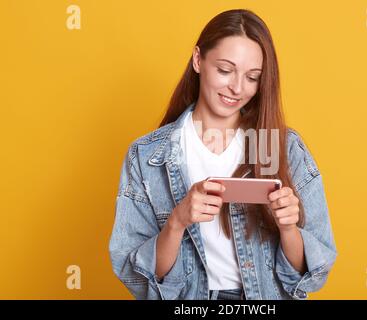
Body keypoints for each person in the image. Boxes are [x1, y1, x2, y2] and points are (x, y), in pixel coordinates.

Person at [109, 8, 337, 300]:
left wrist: (289, 229)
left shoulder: (284, 147)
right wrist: (177, 221)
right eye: (225, 70)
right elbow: (141, 279)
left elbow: (309, 277)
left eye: (253, 77)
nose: (237, 88)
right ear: (198, 60)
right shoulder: (147, 155)